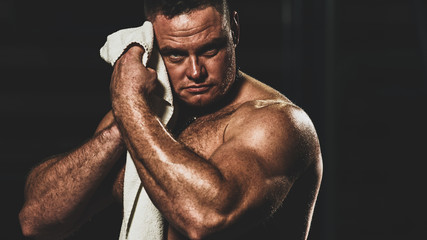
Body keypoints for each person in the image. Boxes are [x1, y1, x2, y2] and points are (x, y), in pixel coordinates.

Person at [19, 0, 323, 239]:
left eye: (210, 49)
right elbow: (37, 219)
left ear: (234, 30)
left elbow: (206, 218)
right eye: (175, 55)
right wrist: (121, 123)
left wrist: (130, 108)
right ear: (153, 45)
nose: (195, 72)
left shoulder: (278, 124)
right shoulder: (147, 112)